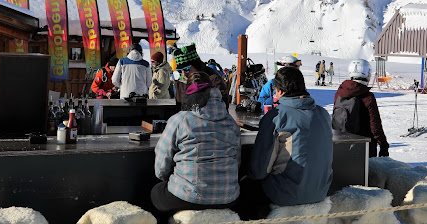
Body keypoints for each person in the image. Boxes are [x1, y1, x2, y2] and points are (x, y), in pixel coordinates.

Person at [236, 67, 333, 220]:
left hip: (286, 194)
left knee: (244, 191)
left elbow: (259, 170)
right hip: (321, 191)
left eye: (275, 91)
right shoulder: (323, 114)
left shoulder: (277, 116)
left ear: (280, 91)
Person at [152, 71, 241, 218]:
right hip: (228, 197)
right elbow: (237, 163)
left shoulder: (180, 120)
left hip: (188, 196)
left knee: (156, 193)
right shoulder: (231, 122)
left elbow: (161, 167)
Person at [332, 59, 389, 158]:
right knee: (364, 173)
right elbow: (375, 125)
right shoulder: (367, 97)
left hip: (340, 144)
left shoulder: (339, 94)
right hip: (363, 147)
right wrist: (383, 145)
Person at [172, 43, 229, 107]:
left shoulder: (213, 78)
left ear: (196, 65)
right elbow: (179, 107)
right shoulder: (181, 82)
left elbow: (223, 105)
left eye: (186, 69)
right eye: (180, 71)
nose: (184, 74)